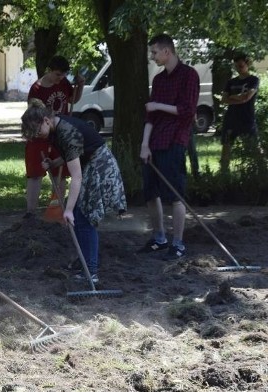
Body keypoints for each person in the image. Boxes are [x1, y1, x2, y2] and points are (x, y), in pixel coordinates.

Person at [20, 100, 126, 284]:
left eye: (38, 132)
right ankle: (83, 260)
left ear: (46, 120)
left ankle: (91, 272)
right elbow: (72, 154)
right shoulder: (56, 127)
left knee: (84, 218)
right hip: (89, 165)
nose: (38, 136)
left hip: (99, 167)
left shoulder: (67, 132)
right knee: (79, 214)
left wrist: (67, 210)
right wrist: (54, 164)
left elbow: (76, 177)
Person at [139, 34, 199, 259]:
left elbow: (187, 111)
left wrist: (157, 105)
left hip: (175, 140)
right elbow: (150, 116)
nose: (152, 56)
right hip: (154, 142)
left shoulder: (189, 75)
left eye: (154, 52)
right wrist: (144, 144)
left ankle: (178, 243)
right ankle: (159, 238)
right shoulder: (159, 80)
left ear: (167, 51)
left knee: (175, 194)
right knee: (150, 192)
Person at [24, 55, 85, 218]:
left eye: (64, 74)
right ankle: (30, 213)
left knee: (61, 173)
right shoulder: (36, 89)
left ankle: (57, 209)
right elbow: (33, 114)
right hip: (40, 136)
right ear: (50, 71)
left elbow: (73, 100)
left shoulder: (64, 83)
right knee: (35, 173)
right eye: (58, 74)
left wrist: (81, 85)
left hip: (60, 135)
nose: (61, 78)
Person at [219, 53, 260, 173]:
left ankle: (261, 170)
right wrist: (239, 98)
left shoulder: (253, 80)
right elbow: (223, 100)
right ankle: (224, 174)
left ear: (247, 64)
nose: (238, 69)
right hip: (231, 118)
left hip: (247, 118)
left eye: (241, 66)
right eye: (236, 66)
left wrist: (232, 97)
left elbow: (247, 97)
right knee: (226, 146)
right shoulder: (231, 82)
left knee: (253, 146)